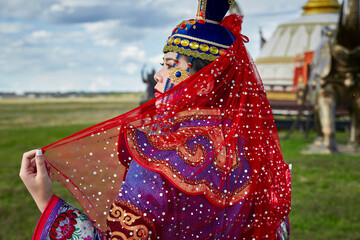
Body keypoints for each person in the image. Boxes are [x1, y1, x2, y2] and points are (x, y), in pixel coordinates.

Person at [20, 0, 291, 239]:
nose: (158, 75)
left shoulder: (159, 156)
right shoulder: (254, 151)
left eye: (171, 65)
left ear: (205, 82)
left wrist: (45, 200)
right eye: (162, 64)